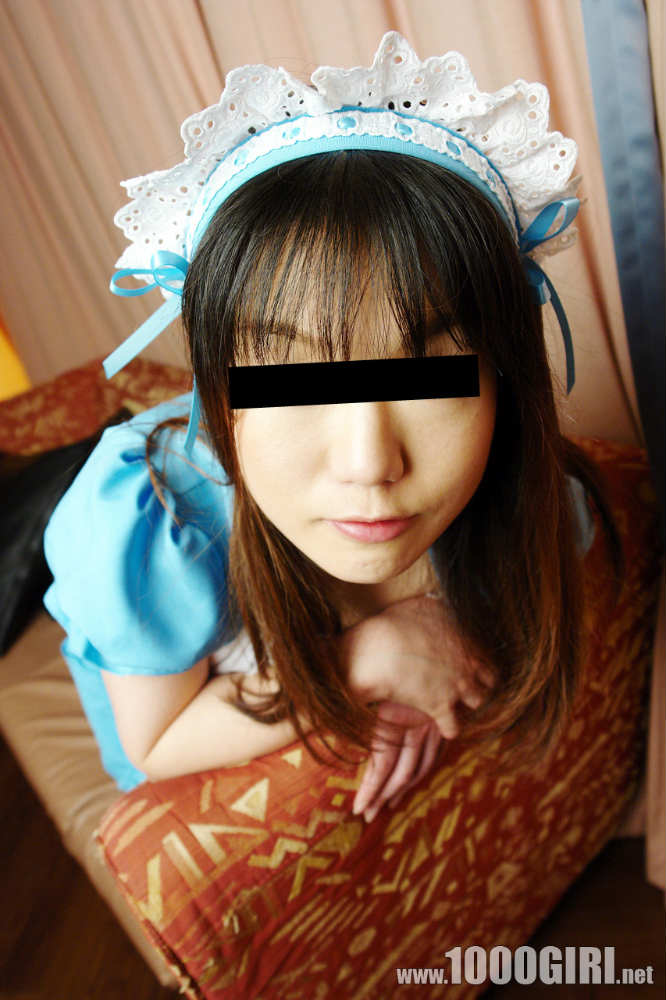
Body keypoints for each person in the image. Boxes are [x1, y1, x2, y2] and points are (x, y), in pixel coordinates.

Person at [43, 33, 612, 824]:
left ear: (506, 383)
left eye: (429, 379)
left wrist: (442, 630)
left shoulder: (538, 496)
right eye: (294, 384)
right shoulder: (150, 514)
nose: (369, 463)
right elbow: (155, 743)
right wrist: (367, 659)